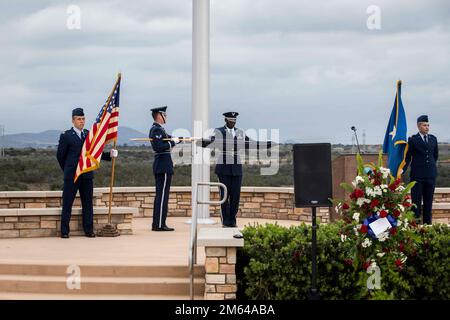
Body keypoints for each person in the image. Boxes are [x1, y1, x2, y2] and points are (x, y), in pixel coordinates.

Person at [200, 112, 271, 227]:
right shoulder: (219, 131)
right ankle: (225, 221)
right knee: (224, 196)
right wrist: (203, 142)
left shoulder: (240, 132)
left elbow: (251, 143)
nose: (233, 123)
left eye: (234, 121)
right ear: (225, 120)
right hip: (223, 168)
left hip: (236, 168)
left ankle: (232, 220)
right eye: (230, 120)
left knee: (235, 196)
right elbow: (210, 142)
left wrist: (265, 144)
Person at [57, 108, 118, 238]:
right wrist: (68, 170)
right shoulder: (66, 135)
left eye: (83, 119)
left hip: (86, 175)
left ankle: (89, 230)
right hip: (72, 175)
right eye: (79, 119)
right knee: (67, 203)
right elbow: (60, 156)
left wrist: (109, 155)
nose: (81, 121)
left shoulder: (88, 134)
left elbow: (95, 154)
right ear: (73, 120)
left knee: (88, 204)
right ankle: (64, 231)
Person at [149, 106, 181, 231]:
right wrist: (173, 142)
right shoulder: (156, 129)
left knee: (162, 195)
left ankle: (159, 223)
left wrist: (176, 139)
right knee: (162, 196)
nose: (166, 117)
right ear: (159, 115)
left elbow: (168, 138)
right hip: (163, 165)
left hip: (162, 165)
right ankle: (159, 224)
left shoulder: (160, 130)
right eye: (165, 115)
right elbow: (158, 146)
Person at [403, 115, 439, 224]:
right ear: (419, 126)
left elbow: (435, 156)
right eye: (424, 125)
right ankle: (415, 226)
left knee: (428, 203)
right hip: (417, 176)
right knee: (416, 203)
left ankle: (428, 227)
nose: (427, 127)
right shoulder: (413, 140)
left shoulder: (433, 139)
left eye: (428, 125)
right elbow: (408, 157)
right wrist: (402, 170)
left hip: (430, 176)